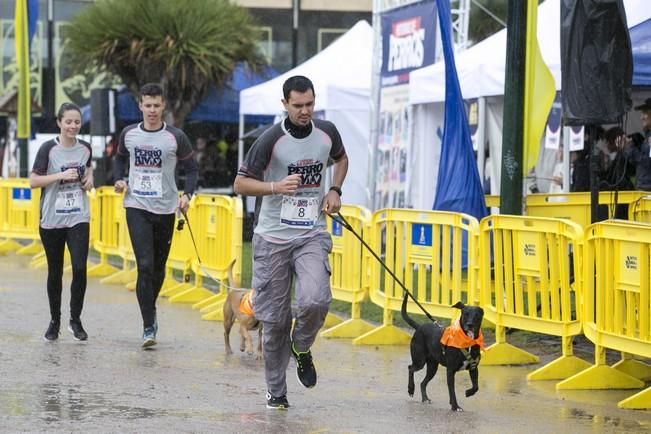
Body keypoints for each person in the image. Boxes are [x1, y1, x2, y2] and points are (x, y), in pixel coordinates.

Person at [233, 75, 348, 410]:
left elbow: (341, 159)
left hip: (311, 232)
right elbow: (240, 184)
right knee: (275, 320)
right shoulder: (270, 139)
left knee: (315, 299)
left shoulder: (327, 132)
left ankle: (301, 346)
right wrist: (274, 187)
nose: (305, 111)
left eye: (310, 104)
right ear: (284, 105)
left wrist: (334, 190)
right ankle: (276, 391)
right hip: (271, 238)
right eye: (298, 105)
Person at [113, 83, 198, 348]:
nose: (151, 110)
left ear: (163, 106)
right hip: (136, 206)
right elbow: (118, 158)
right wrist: (119, 179)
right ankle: (148, 325)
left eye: (156, 105)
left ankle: (150, 310)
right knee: (145, 265)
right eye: (147, 105)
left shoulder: (175, 137)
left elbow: (192, 169)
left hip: (165, 208)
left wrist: (187, 195)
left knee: (159, 268)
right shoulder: (129, 134)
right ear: (140, 106)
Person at [29, 103, 94, 341]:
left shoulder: (86, 148)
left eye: (77, 122)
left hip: (78, 216)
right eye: (68, 122)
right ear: (59, 123)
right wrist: (59, 176)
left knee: (79, 268)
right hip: (52, 219)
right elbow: (33, 181)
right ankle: (54, 321)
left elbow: (88, 170)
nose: (73, 126)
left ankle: (75, 321)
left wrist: (89, 180)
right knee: (55, 271)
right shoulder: (48, 149)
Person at [624, 97, 651, 191]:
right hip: (644, 187)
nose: (641, 117)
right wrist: (627, 148)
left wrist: (630, 147)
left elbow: (647, 162)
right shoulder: (647, 136)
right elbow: (639, 163)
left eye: (644, 113)